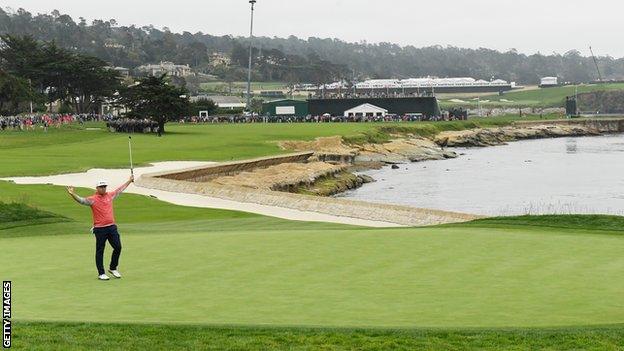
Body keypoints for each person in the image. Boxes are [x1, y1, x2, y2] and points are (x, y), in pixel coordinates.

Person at [67, 176, 134, 280]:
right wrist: (72, 194)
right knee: (100, 250)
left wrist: (129, 181)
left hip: (112, 227)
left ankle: (113, 268)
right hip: (100, 229)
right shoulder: (92, 199)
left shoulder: (110, 196)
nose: (103, 188)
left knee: (118, 247)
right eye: (101, 187)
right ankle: (101, 273)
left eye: (104, 186)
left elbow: (120, 189)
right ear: (97, 188)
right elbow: (81, 200)